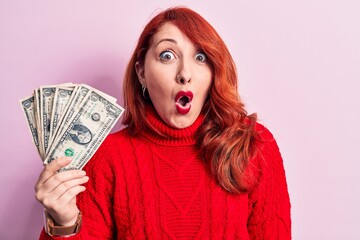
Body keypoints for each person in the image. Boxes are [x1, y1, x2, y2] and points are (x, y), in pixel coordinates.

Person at [35, 7, 291, 239]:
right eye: (167, 55)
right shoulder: (107, 157)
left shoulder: (253, 145)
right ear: (142, 72)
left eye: (200, 57)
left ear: (214, 71)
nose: (185, 74)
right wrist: (64, 224)